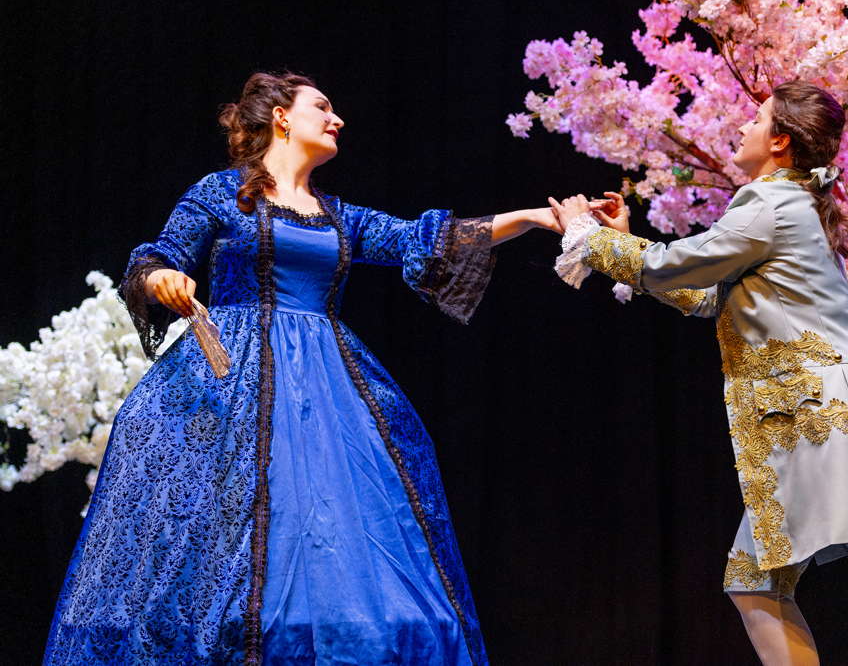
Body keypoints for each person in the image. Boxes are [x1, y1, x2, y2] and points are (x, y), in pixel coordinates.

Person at [44, 71, 560, 665]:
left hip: (328, 388)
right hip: (236, 379)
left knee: (346, 545)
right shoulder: (221, 191)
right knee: (231, 557)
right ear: (282, 116)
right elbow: (158, 255)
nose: (337, 119)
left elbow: (428, 238)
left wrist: (535, 218)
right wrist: (163, 278)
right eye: (324, 106)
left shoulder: (338, 215)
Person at [547, 81, 848, 665]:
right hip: (823, 417)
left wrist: (591, 236)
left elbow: (670, 266)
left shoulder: (769, 204)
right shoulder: (786, 203)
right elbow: (703, 294)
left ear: (780, 142)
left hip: (822, 417)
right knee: (759, 581)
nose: (743, 128)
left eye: (755, 121)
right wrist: (619, 244)